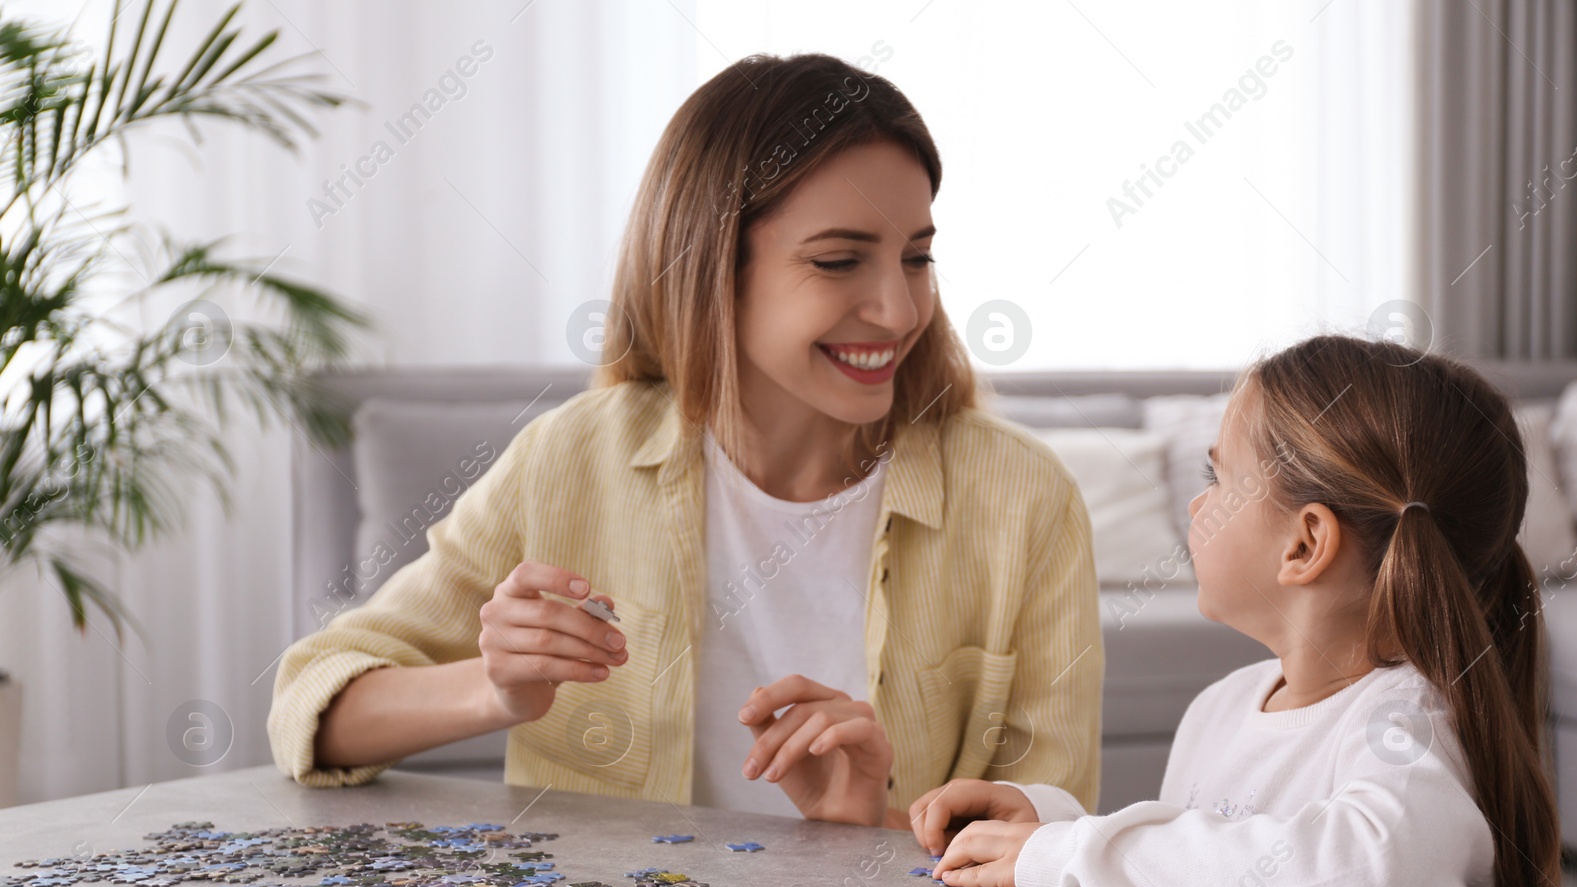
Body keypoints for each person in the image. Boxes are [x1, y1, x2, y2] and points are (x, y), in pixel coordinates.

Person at [267, 53, 1103, 829]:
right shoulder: (570, 463)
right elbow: (310, 702)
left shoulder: (1022, 496)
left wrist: (871, 834)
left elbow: (1049, 832)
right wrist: (494, 689)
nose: (898, 308)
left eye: (916, 258)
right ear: (712, 267)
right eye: (841, 261)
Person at [912, 335, 1560, 887]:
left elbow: (1372, 879)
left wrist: (1071, 853)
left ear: (1304, 544)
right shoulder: (1222, 706)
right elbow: (1204, 870)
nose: (1197, 501)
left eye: (1216, 478)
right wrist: (1051, 824)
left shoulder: (1407, 723)